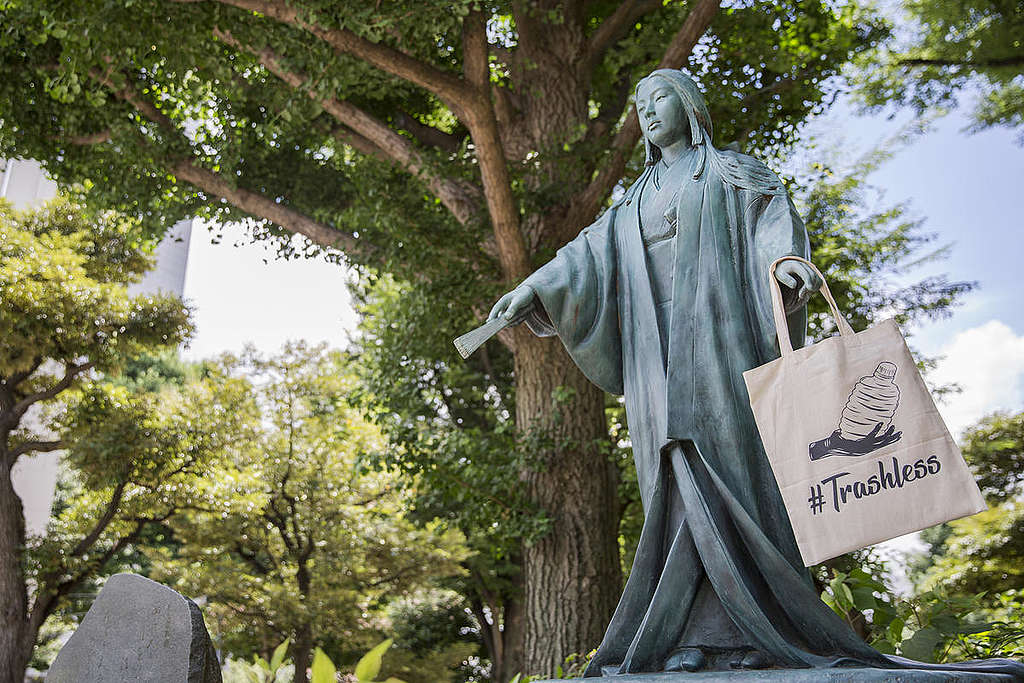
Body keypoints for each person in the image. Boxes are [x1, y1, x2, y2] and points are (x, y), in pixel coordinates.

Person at [488, 70, 1024, 679]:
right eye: (637, 105)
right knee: (671, 488)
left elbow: (773, 223)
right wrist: (530, 288)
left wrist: (786, 263)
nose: (647, 112)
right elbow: (583, 255)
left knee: (737, 479)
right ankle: (682, 637)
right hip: (654, 361)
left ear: (688, 104)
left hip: (721, 342)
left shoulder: (733, 174)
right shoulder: (631, 202)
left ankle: (757, 630)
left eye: (658, 98)